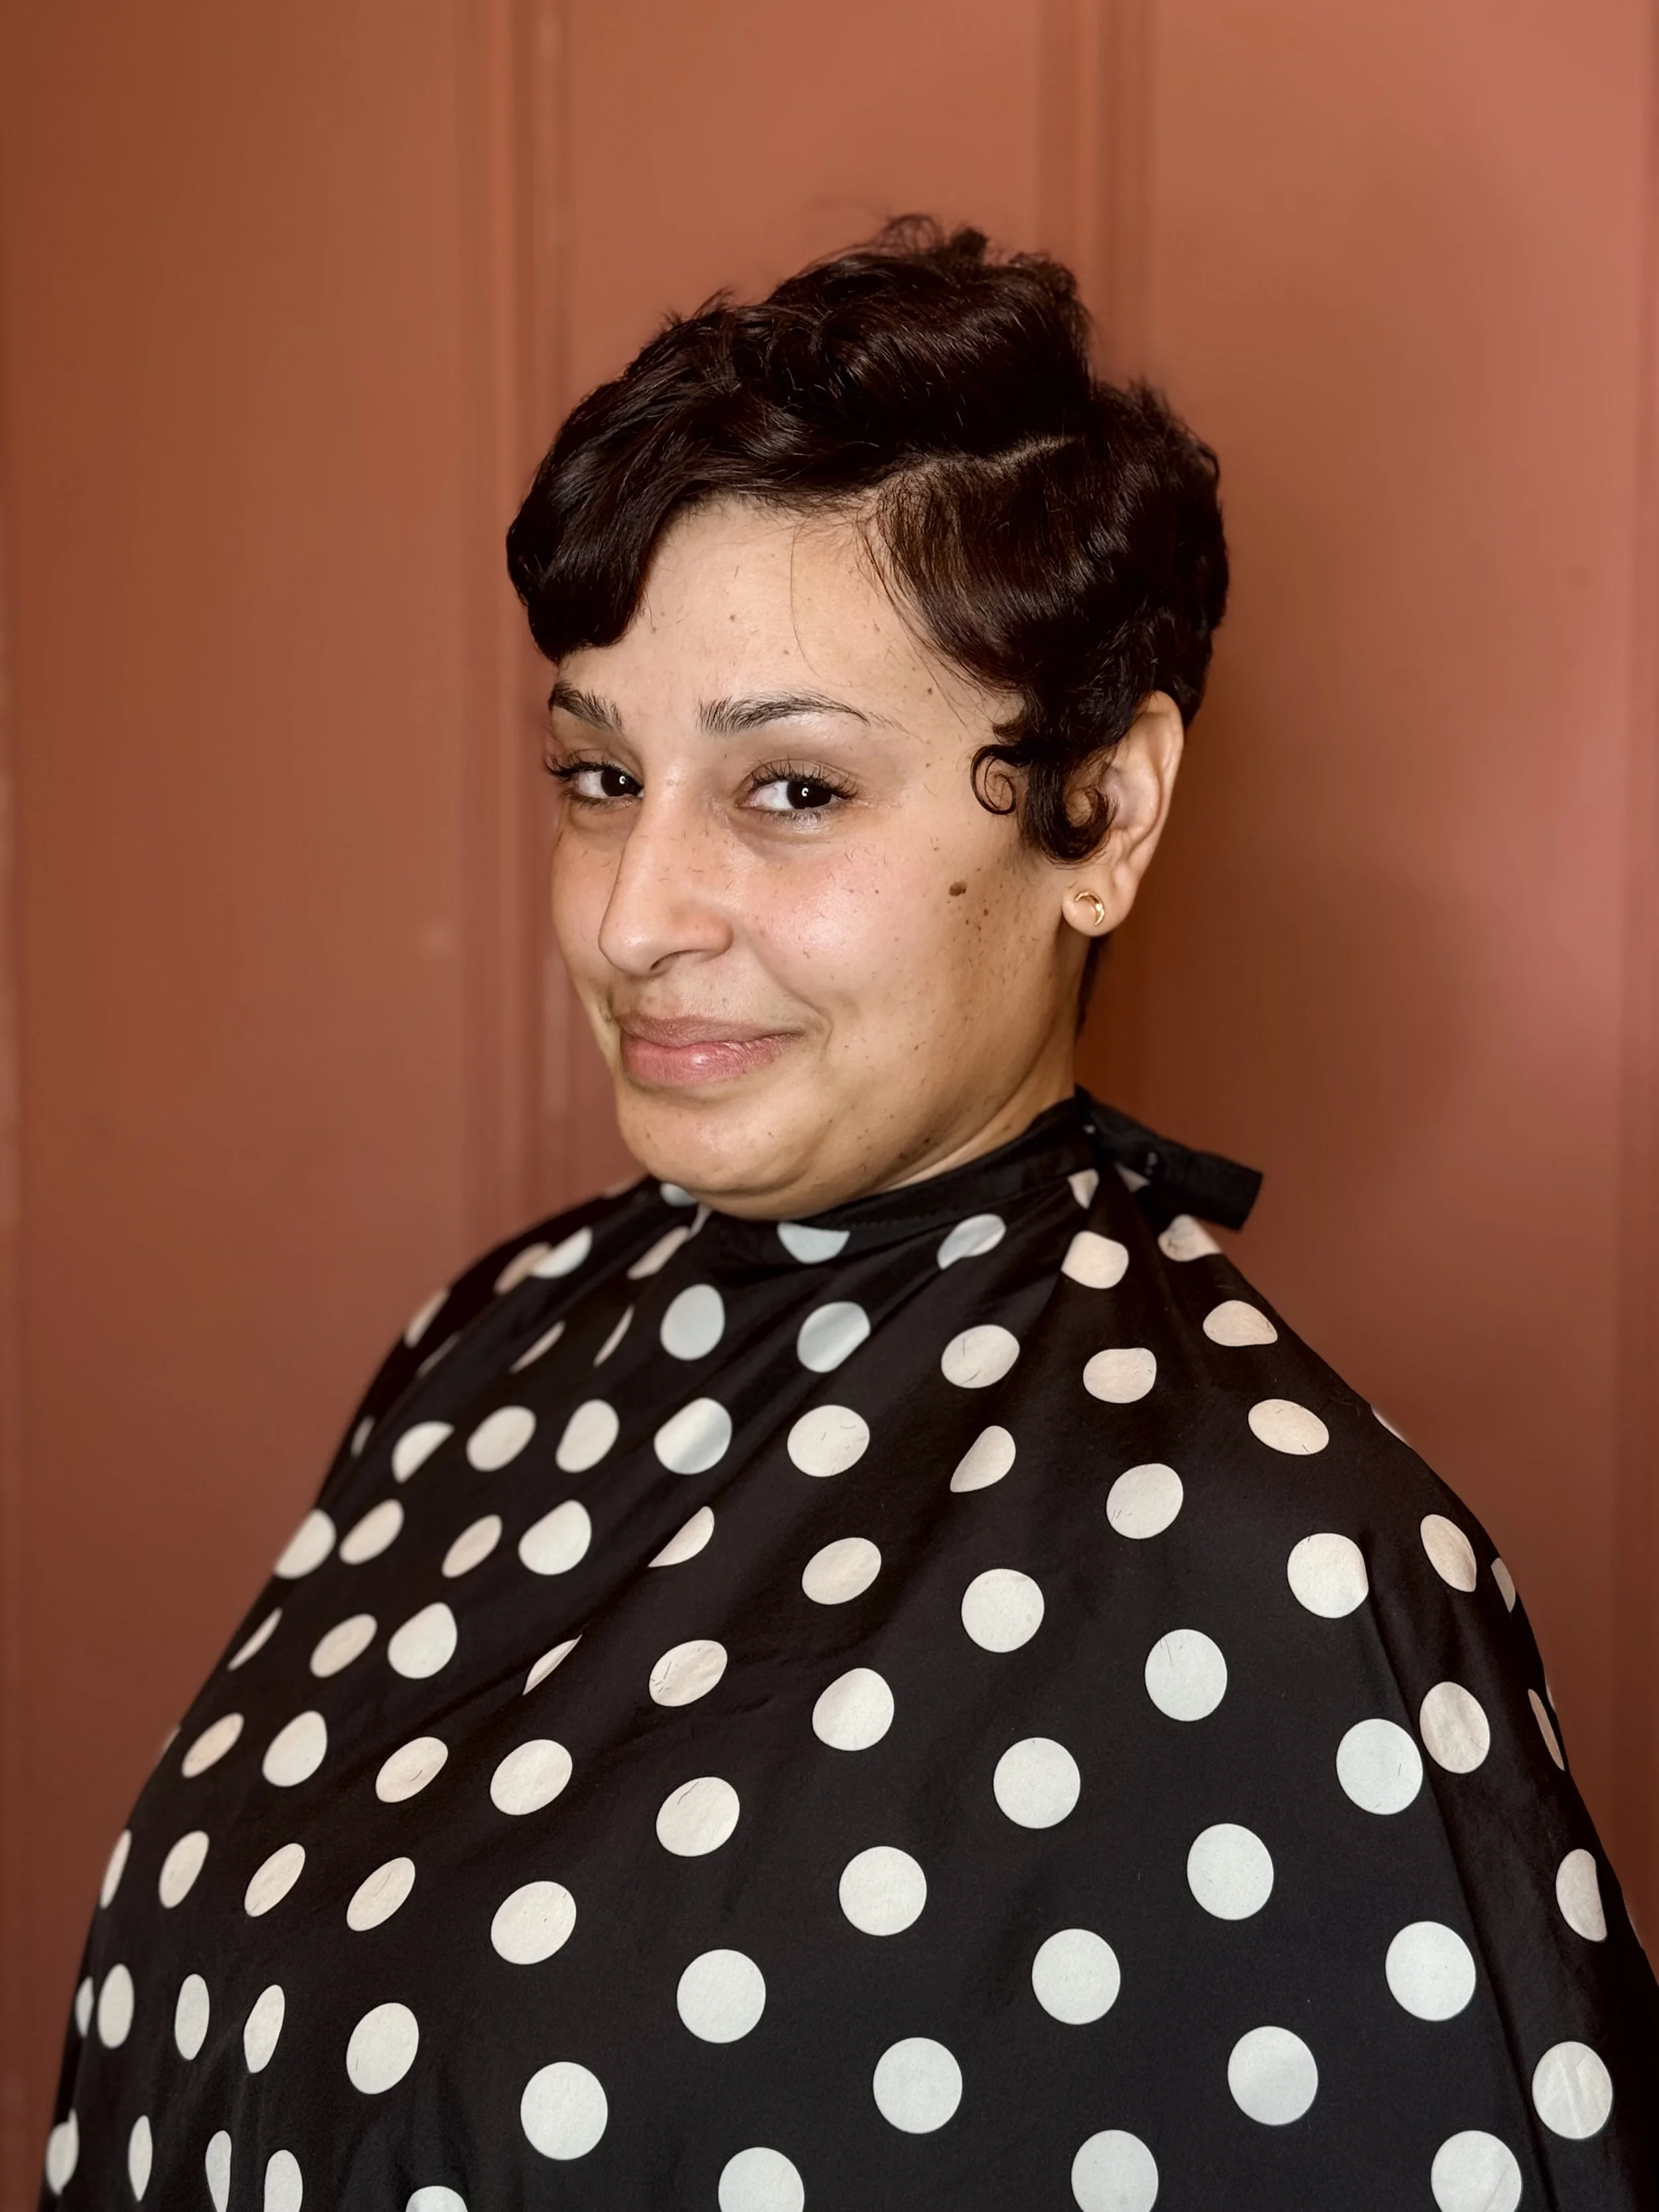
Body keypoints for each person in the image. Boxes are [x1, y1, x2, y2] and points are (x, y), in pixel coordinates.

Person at [41, 221, 1657, 2212]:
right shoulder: (494, 1339)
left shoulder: (1282, 1569)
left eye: (790, 790)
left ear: (1101, 812)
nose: (636, 915)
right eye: (596, 776)